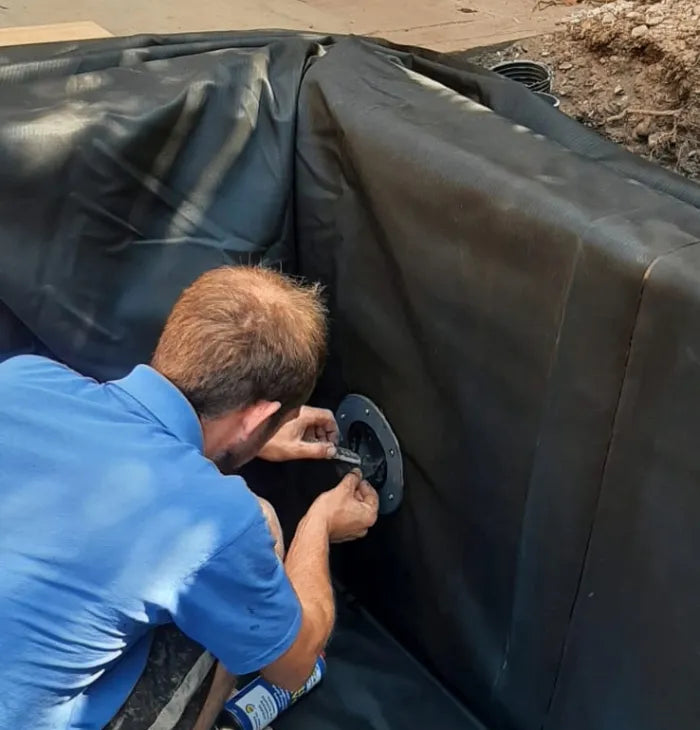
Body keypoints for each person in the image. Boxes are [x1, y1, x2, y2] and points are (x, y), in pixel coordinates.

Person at [0, 266, 380, 730]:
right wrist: (317, 526)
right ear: (258, 414)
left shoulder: (22, 380)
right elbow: (294, 664)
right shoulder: (218, 521)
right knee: (257, 537)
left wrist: (251, 440)